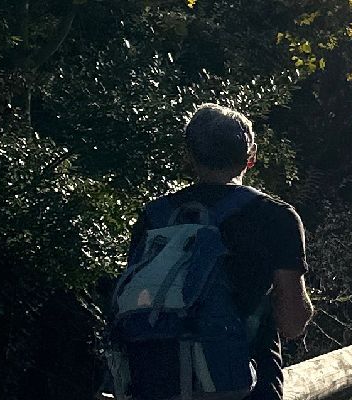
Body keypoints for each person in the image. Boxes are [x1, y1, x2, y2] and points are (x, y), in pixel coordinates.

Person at [108, 104, 314, 400]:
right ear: (251, 157)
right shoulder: (275, 217)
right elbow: (292, 323)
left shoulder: (155, 216)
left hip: (153, 385)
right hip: (243, 388)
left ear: (189, 156)